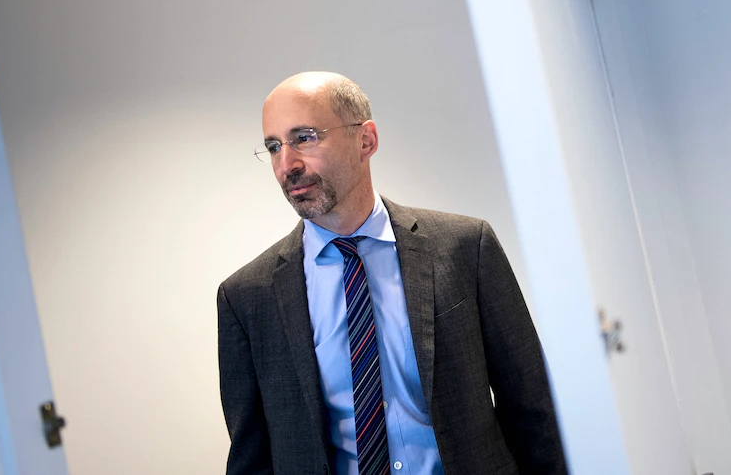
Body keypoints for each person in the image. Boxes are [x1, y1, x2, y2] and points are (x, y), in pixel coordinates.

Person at [217, 71, 568, 475]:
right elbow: (251, 460)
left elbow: (534, 410)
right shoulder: (247, 297)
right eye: (274, 147)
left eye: (305, 138)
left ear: (366, 140)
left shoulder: (465, 248)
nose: (286, 165)